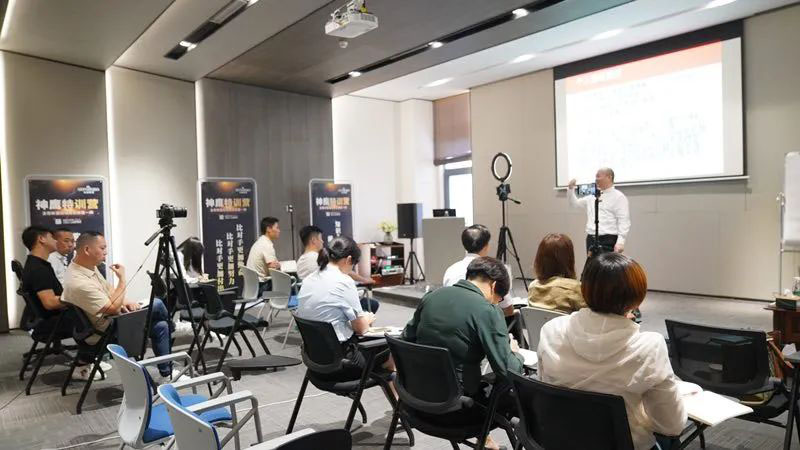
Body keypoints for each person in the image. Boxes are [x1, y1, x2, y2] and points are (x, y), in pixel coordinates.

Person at [537, 253, 686, 450]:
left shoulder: (552, 330)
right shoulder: (649, 346)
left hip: (559, 441)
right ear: (637, 299)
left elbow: (543, 387)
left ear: (584, 288)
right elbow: (671, 425)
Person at [404, 256, 523, 450]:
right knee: (517, 397)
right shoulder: (487, 311)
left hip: (415, 403)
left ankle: (488, 445)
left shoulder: (432, 297)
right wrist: (515, 353)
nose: (497, 303)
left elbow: (405, 340)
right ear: (494, 286)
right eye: (499, 299)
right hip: (457, 413)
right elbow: (508, 371)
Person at [62, 231, 179, 382]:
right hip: (105, 332)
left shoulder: (88, 267)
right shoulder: (78, 281)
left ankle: (167, 374)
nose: (106, 252)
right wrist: (122, 279)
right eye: (102, 248)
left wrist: (127, 302)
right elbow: (114, 308)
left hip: (112, 321)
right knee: (157, 303)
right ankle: (175, 327)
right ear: (87, 250)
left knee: (161, 327)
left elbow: (110, 291)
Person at [294, 236, 392, 380]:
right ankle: (395, 394)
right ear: (349, 259)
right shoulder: (344, 281)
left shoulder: (309, 279)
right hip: (341, 364)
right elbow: (361, 329)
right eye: (354, 264)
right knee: (392, 350)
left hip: (314, 362)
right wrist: (367, 319)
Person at [297, 225, 379, 312]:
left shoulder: (300, 261)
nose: (322, 241)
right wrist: (364, 280)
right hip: (328, 303)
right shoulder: (320, 261)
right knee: (372, 304)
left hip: (310, 307)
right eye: (320, 238)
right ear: (313, 240)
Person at [442, 224, 515, 317]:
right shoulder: (493, 269)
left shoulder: (451, 270)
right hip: (482, 321)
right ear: (486, 246)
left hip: (453, 318)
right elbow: (508, 309)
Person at [20, 226, 75, 346]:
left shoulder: (38, 263)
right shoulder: (38, 269)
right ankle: (88, 354)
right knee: (100, 317)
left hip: (50, 317)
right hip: (51, 322)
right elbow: (50, 303)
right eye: (52, 238)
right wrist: (76, 298)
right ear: (41, 239)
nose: (55, 241)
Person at [567, 167, 630, 256]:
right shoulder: (592, 195)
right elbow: (575, 204)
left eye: (598, 176)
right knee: (592, 264)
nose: (596, 179)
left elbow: (623, 220)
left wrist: (620, 241)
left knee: (607, 265)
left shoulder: (619, 197)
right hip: (591, 239)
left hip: (608, 240)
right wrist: (570, 189)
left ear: (609, 177)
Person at [527, 233, 587, 313]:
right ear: (569, 259)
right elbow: (590, 315)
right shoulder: (575, 288)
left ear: (539, 259)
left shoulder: (533, 287)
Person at [246, 216, 282, 291]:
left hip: (253, 286)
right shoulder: (267, 245)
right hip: (262, 286)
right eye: (277, 228)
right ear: (268, 229)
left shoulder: (260, 241)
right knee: (290, 282)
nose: (279, 231)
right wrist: (279, 266)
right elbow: (273, 270)